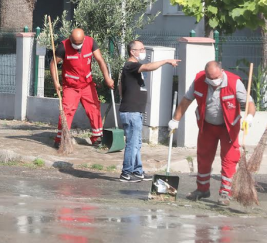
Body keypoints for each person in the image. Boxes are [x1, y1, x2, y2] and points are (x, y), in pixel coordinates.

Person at [169, 61, 255, 206]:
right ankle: (202, 189)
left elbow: (249, 103)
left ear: (222, 71)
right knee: (203, 157)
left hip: (229, 127)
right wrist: (175, 120)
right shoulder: (199, 80)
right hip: (207, 126)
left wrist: (250, 116)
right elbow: (186, 100)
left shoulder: (234, 82)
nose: (213, 80)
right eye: (209, 77)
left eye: (215, 77)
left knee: (229, 159)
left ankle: (225, 193)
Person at [118, 40, 180, 183]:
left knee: (137, 143)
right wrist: (166, 61)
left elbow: (121, 86)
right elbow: (147, 67)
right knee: (132, 144)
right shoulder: (130, 65)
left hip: (135, 111)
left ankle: (137, 171)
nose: (143, 51)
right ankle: (126, 173)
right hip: (131, 112)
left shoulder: (131, 67)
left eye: (143, 49)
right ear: (132, 52)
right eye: (141, 49)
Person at [49, 28, 114, 149]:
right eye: (75, 43)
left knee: (94, 108)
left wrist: (107, 78)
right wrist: (55, 82)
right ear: (70, 38)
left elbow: (100, 60)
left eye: (80, 43)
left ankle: (97, 137)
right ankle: (61, 139)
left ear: (84, 38)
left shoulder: (91, 42)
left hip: (87, 85)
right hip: (71, 87)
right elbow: (53, 64)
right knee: (67, 112)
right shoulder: (63, 47)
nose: (77, 46)